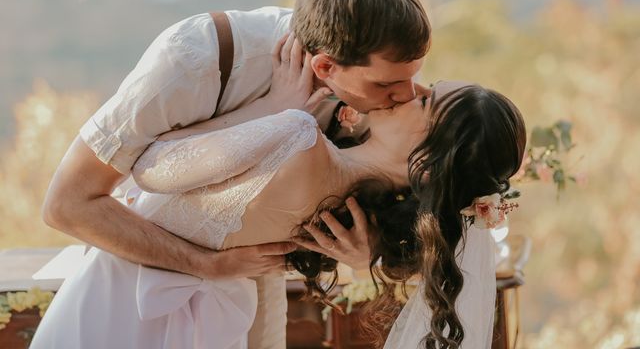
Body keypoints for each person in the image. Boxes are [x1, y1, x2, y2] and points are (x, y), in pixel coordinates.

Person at [41, 0, 432, 347]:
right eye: (389, 85)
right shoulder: (191, 61)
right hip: (132, 308)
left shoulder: (371, 78)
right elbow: (67, 204)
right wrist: (205, 265)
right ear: (325, 66)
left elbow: (404, 194)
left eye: (412, 78)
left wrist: (371, 254)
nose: (408, 95)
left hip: (248, 303)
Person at [31, 77, 525, 349]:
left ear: (430, 158)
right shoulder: (357, 224)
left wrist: (270, 107)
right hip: (215, 320)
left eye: (426, 100)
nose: (409, 87)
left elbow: (150, 168)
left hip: (118, 299)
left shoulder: (295, 134)